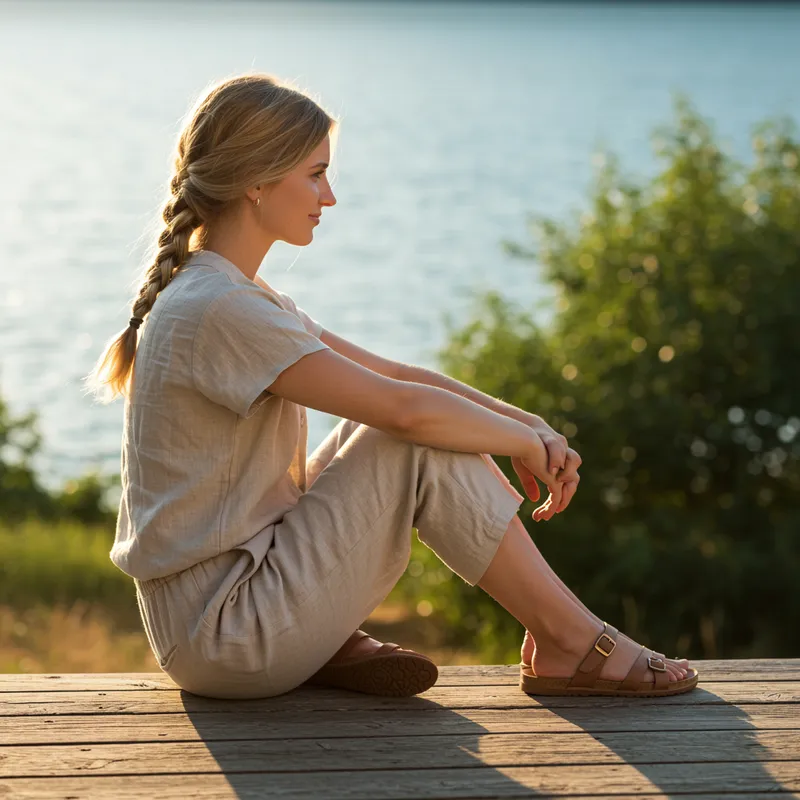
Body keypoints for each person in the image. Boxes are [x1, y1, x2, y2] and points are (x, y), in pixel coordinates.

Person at [84, 72, 698, 700]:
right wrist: (519, 442)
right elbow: (406, 410)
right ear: (257, 182)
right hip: (227, 632)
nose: (329, 196)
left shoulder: (230, 294)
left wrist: (529, 427)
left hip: (224, 608)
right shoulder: (220, 307)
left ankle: (335, 638)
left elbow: (399, 378)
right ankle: (571, 641)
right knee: (412, 437)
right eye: (316, 174)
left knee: (403, 425)